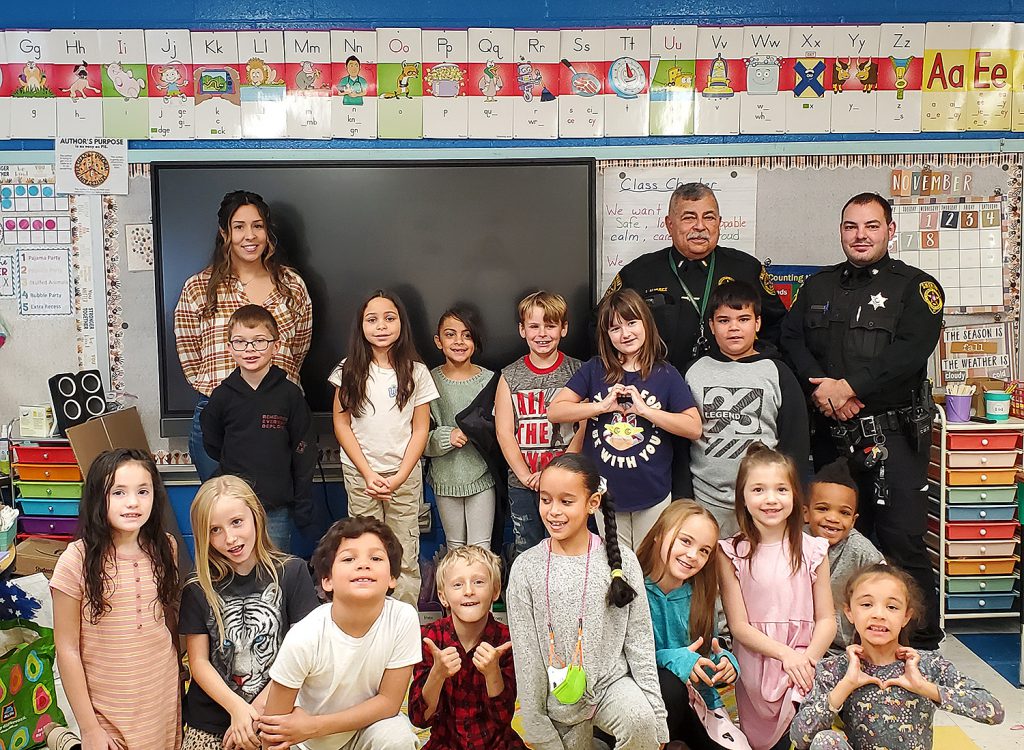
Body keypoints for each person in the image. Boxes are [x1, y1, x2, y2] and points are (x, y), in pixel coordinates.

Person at [780, 192, 944, 650]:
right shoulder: (817, 287)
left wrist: (849, 387)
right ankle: (848, 637)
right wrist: (823, 389)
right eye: (851, 226)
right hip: (833, 436)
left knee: (901, 540)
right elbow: (792, 340)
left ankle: (920, 643)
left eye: (871, 226)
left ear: (890, 231)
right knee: (839, 538)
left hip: (893, 436)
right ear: (840, 231)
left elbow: (909, 352)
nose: (861, 235)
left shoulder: (916, 287)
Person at [506, 453, 669, 750]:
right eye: (546, 500)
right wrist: (535, 724)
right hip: (557, 699)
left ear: (592, 503)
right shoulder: (526, 568)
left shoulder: (622, 562)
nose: (554, 511)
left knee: (640, 721)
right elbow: (527, 657)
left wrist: (657, 718)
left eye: (566, 501)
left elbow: (640, 642)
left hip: (610, 685)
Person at [175, 190, 313, 483]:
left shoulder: (292, 286)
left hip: (281, 417)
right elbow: (190, 353)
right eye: (239, 226)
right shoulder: (199, 288)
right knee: (222, 515)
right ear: (225, 233)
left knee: (275, 518)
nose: (249, 236)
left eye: (258, 226)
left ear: (267, 232)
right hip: (219, 418)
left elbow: (298, 349)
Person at [549, 288, 701, 551]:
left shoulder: (665, 373)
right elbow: (556, 411)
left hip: (653, 494)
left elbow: (693, 427)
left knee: (649, 568)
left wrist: (645, 411)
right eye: (615, 328)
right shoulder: (595, 369)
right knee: (615, 568)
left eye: (632, 323)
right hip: (605, 495)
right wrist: (601, 406)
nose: (625, 333)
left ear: (646, 323)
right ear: (606, 335)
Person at [791, 564, 1004, 750]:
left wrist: (925, 688)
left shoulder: (927, 664)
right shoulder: (834, 669)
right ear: (849, 612)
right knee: (825, 741)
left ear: (906, 616)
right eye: (866, 604)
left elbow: (994, 711)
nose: (879, 614)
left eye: (892, 607)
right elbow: (800, 738)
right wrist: (846, 685)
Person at [50, 448, 181, 750]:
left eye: (143, 491)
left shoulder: (166, 548)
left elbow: (168, 618)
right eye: (119, 492)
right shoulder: (76, 560)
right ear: (98, 496)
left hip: (160, 694)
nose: (133, 502)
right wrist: (89, 727)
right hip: (108, 705)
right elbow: (66, 648)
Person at [179, 475, 319, 750]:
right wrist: (237, 710)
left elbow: (305, 656)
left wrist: (255, 712)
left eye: (236, 522)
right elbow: (199, 663)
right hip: (213, 717)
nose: (230, 538)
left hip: (277, 711)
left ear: (255, 516)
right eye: (214, 530)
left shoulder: (292, 573)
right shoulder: (197, 587)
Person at [257, 517, 421, 750]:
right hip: (304, 743)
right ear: (327, 580)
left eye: (376, 558)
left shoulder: (403, 618)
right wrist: (306, 732)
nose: (363, 565)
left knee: (397, 737)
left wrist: (313, 725)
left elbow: (389, 703)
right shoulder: (306, 635)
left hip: (361, 732)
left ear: (392, 578)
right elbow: (273, 731)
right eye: (348, 558)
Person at [718, 444, 835, 750]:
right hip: (758, 667)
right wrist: (785, 655)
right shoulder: (731, 552)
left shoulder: (813, 550)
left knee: (802, 736)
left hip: (803, 666)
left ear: (795, 495)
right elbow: (739, 626)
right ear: (742, 496)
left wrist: (806, 661)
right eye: (758, 489)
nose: (771, 499)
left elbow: (826, 618)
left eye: (781, 489)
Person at [330, 290, 439, 607]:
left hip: (403, 477)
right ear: (361, 326)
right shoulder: (348, 369)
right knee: (364, 550)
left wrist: (400, 476)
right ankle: (368, 616)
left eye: (389, 318)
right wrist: (367, 473)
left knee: (403, 551)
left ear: (401, 324)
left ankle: (404, 625)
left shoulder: (416, 371)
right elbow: (342, 425)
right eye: (372, 319)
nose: (381, 326)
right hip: (361, 476)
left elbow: (421, 428)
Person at [605, 181, 786, 373]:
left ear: (719, 222)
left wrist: (752, 366)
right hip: (658, 388)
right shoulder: (639, 273)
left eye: (709, 217)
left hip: (730, 390)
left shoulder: (746, 269)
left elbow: (778, 327)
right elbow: (602, 327)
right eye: (689, 218)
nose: (700, 226)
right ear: (669, 224)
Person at [684, 280, 809, 536]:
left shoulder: (777, 372)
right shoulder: (692, 372)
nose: (734, 328)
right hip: (705, 502)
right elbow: (679, 441)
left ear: (758, 323)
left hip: (765, 504)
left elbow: (795, 442)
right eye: (724, 320)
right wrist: (683, 497)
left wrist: (793, 496)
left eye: (743, 319)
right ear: (711, 326)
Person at [200, 304, 316, 552]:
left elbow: (303, 450)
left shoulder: (290, 395)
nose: (250, 349)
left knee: (274, 567)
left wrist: (302, 503)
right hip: (234, 507)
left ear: (276, 346)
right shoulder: (221, 397)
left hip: (276, 507)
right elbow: (212, 442)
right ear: (230, 348)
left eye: (260, 341)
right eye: (240, 342)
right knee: (237, 566)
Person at [636, 500, 747, 750]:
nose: (692, 556)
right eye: (686, 541)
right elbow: (622, 661)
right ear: (659, 534)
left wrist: (726, 663)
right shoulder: (632, 591)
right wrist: (674, 659)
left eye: (704, 550)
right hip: (647, 701)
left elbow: (708, 653)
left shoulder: (700, 595)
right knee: (671, 687)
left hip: (700, 704)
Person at [409, 545, 525, 749]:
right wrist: (437, 674)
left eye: (479, 582)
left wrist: (492, 673)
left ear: (496, 591)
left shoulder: (506, 640)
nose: (469, 591)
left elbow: (503, 718)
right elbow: (419, 719)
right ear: (443, 597)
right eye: (457, 585)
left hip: (498, 745)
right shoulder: (430, 638)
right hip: (446, 744)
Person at [495, 291, 583, 557]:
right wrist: (524, 475)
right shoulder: (509, 376)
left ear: (564, 328)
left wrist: (556, 473)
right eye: (534, 326)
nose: (542, 333)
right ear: (522, 330)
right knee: (527, 550)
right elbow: (504, 432)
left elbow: (584, 428)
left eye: (550, 325)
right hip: (524, 484)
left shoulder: (578, 372)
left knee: (568, 549)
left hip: (568, 481)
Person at [426, 307, 497, 551]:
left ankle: (485, 590)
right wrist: (446, 436)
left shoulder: (490, 380)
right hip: (445, 479)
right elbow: (418, 437)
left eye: (467, 335)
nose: (459, 341)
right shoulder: (428, 381)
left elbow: (501, 431)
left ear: (475, 342)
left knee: (481, 548)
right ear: (438, 341)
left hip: (482, 478)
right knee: (455, 547)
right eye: (450, 334)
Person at [803, 458, 885, 655]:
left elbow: (884, 594)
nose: (833, 518)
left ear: (854, 520)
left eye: (844, 512)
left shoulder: (862, 551)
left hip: (845, 649)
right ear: (805, 513)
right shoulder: (795, 540)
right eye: (822, 509)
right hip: (799, 643)